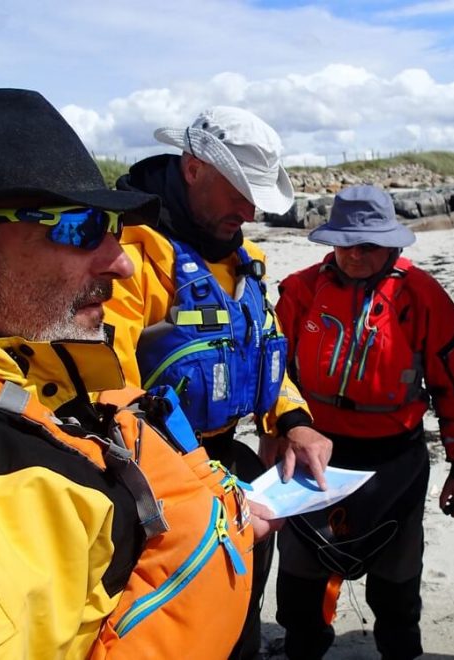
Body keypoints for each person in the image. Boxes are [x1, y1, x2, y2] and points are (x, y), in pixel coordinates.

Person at [0, 88, 275, 657]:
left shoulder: (51, 361)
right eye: (78, 227)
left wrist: (228, 504)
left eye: (113, 223)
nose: (121, 259)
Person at [102, 106, 332, 659]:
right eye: (238, 189)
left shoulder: (248, 261)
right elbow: (106, 392)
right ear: (192, 167)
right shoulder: (130, 257)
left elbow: (264, 355)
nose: (249, 208)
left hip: (238, 471)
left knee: (240, 612)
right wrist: (195, 487)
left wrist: (294, 421)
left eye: (256, 194)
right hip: (149, 489)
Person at [273, 185, 454, 660]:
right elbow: (273, 375)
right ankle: (304, 647)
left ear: (392, 242)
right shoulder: (301, 290)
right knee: (301, 578)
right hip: (314, 457)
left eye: (367, 244)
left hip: (396, 462)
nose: (353, 254)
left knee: (397, 585)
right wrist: (279, 432)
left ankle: (400, 651)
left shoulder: (423, 295)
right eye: (344, 241)